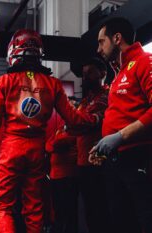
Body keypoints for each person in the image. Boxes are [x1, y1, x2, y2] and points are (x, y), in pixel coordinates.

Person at [0, 29, 99, 233]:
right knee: (34, 208)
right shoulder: (53, 83)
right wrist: (96, 119)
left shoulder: (4, 82)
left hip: (11, 148)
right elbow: (74, 119)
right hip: (37, 151)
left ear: (14, 51)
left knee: (2, 206)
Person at [90, 17, 152, 233]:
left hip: (139, 156)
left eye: (101, 42)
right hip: (116, 160)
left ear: (117, 38)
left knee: (144, 219)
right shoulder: (118, 74)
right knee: (120, 221)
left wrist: (120, 136)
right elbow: (121, 115)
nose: (99, 49)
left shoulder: (145, 62)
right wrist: (102, 145)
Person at [73, 58, 112, 233]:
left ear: (102, 74)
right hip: (81, 163)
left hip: (99, 163)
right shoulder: (85, 101)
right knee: (87, 213)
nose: (85, 76)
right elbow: (75, 126)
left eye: (90, 72)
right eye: (84, 73)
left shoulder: (108, 95)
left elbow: (88, 122)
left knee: (101, 213)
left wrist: (72, 121)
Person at [45, 98, 78, 233]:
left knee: (69, 211)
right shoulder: (61, 127)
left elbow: (55, 144)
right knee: (58, 210)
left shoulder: (75, 127)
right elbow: (48, 145)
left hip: (68, 175)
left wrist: (52, 144)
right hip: (56, 175)